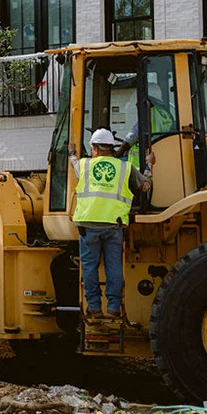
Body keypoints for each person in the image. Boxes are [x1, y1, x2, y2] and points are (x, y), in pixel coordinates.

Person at [69, 128, 154, 320]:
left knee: (89, 267)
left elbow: (73, 162)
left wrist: (71, 152)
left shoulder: (84, 165)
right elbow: (145, 185)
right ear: (110, 147)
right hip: (113, 225)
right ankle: (113, 308)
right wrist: (149, 165)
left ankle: (94, 308)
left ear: (95, 149)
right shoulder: (125, 168)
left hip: (88, 223)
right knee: (113, 267)